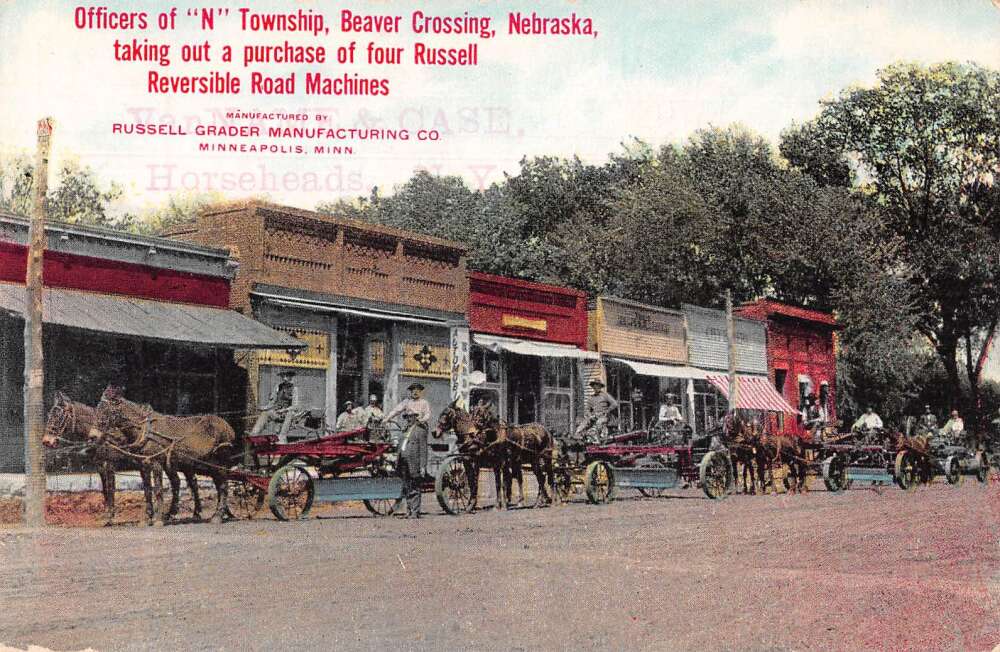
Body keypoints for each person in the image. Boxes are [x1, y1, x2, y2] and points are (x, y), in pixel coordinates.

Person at [385, 382, 432, 518]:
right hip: (404, 461)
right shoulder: (406, 403)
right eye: (412, 390)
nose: (414, 393)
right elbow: (396, 410)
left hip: (420, 430)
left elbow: (428, 415)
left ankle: (414, 512)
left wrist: (420, 420)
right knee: (406, 485)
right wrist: (387, 419)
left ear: (420, 392)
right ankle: (409, 511)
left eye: (417, 390)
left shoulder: (424, 403)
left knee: (415, 486)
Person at [251, 370, 300, 443]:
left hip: (287, 413)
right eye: (283, 376)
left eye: (286, 376)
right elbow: (272, 402)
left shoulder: (294, 389)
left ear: (290, 377)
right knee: (266, 413)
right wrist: (263, 408)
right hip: (277, 412)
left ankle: (282, 437)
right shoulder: (278, 387)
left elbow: (295, 406)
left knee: (291, 413)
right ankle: (255, 433)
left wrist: (284, 410)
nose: (284, 378)